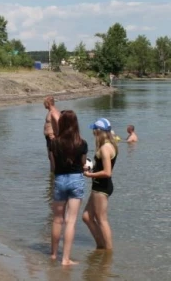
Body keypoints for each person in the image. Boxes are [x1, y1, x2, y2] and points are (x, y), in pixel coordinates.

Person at [49, 110, 88, 265]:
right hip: (76, 179)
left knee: (57, 220)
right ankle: (65, 259)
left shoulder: (54, 143)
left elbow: (52, 166)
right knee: (70, 221)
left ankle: (53, 254)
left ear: (61, 124)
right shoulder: (81, 143)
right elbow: (83, 163)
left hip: (59, 179)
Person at [83, 118, 118, 250]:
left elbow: (108, 172)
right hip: (98, 185)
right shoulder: (109, 143)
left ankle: (108, 251)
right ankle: (101, 246)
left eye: (94, 130)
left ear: (98, 131)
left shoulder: (105, 148)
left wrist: (90, 175)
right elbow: (102, 167)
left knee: (102, 220)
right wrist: (92, 169)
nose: (92, 132)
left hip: (102, 187)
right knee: (87, 216)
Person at [44, 96, 61, 173]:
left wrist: (55, 135)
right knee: (51, 157)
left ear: (49, 103)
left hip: (52, 139)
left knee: (52, 157)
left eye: (44, 103)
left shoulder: (53, 112)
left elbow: (58, 122)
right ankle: (53, 176)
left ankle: (53, 177)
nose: (43, 104)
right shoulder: (51, 112)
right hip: (49, 138)